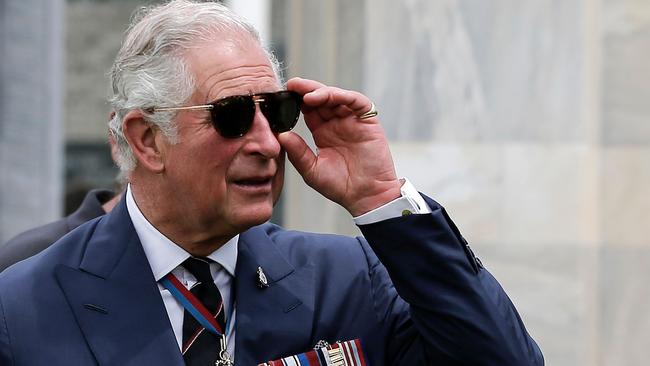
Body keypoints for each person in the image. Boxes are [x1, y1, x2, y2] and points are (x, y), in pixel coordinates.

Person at [0, 1, 543, 365]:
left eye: (278, 111)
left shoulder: (350, 279)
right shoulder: (25, 302)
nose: (265, 142)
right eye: (233, 116)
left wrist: (381, 197)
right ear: (147, 140)